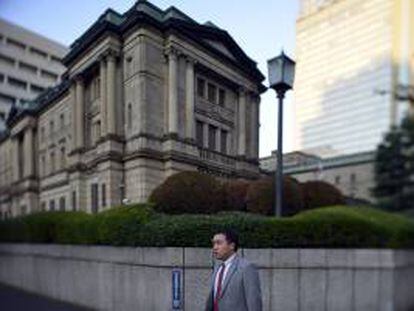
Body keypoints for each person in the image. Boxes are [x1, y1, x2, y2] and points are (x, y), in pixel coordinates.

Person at [205, 229, 262, 311]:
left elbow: (254, 302)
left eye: (219, 243)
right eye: (213, 243)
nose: (215, 247)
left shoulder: (246, 267)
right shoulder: (218, 268)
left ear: (232, 245)